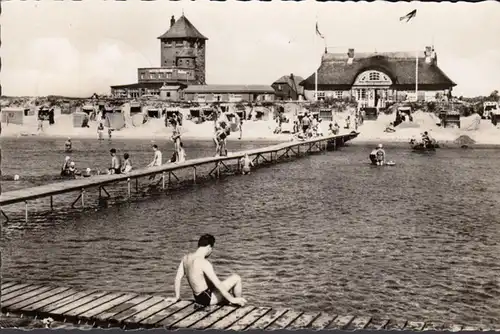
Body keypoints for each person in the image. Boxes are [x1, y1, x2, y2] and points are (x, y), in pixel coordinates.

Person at [173, 234, 247, 307]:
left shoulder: (186, 258)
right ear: (209, 247)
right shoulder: (204, 262)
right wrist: (232, 299)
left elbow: (177, 279)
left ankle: (229, 300)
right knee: (236, 278)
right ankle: (238, 303)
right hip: (208, 299)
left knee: (215, 286)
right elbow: (218, 284)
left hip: (198, 298)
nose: (211, 252)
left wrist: (177, 297)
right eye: (212, 249)